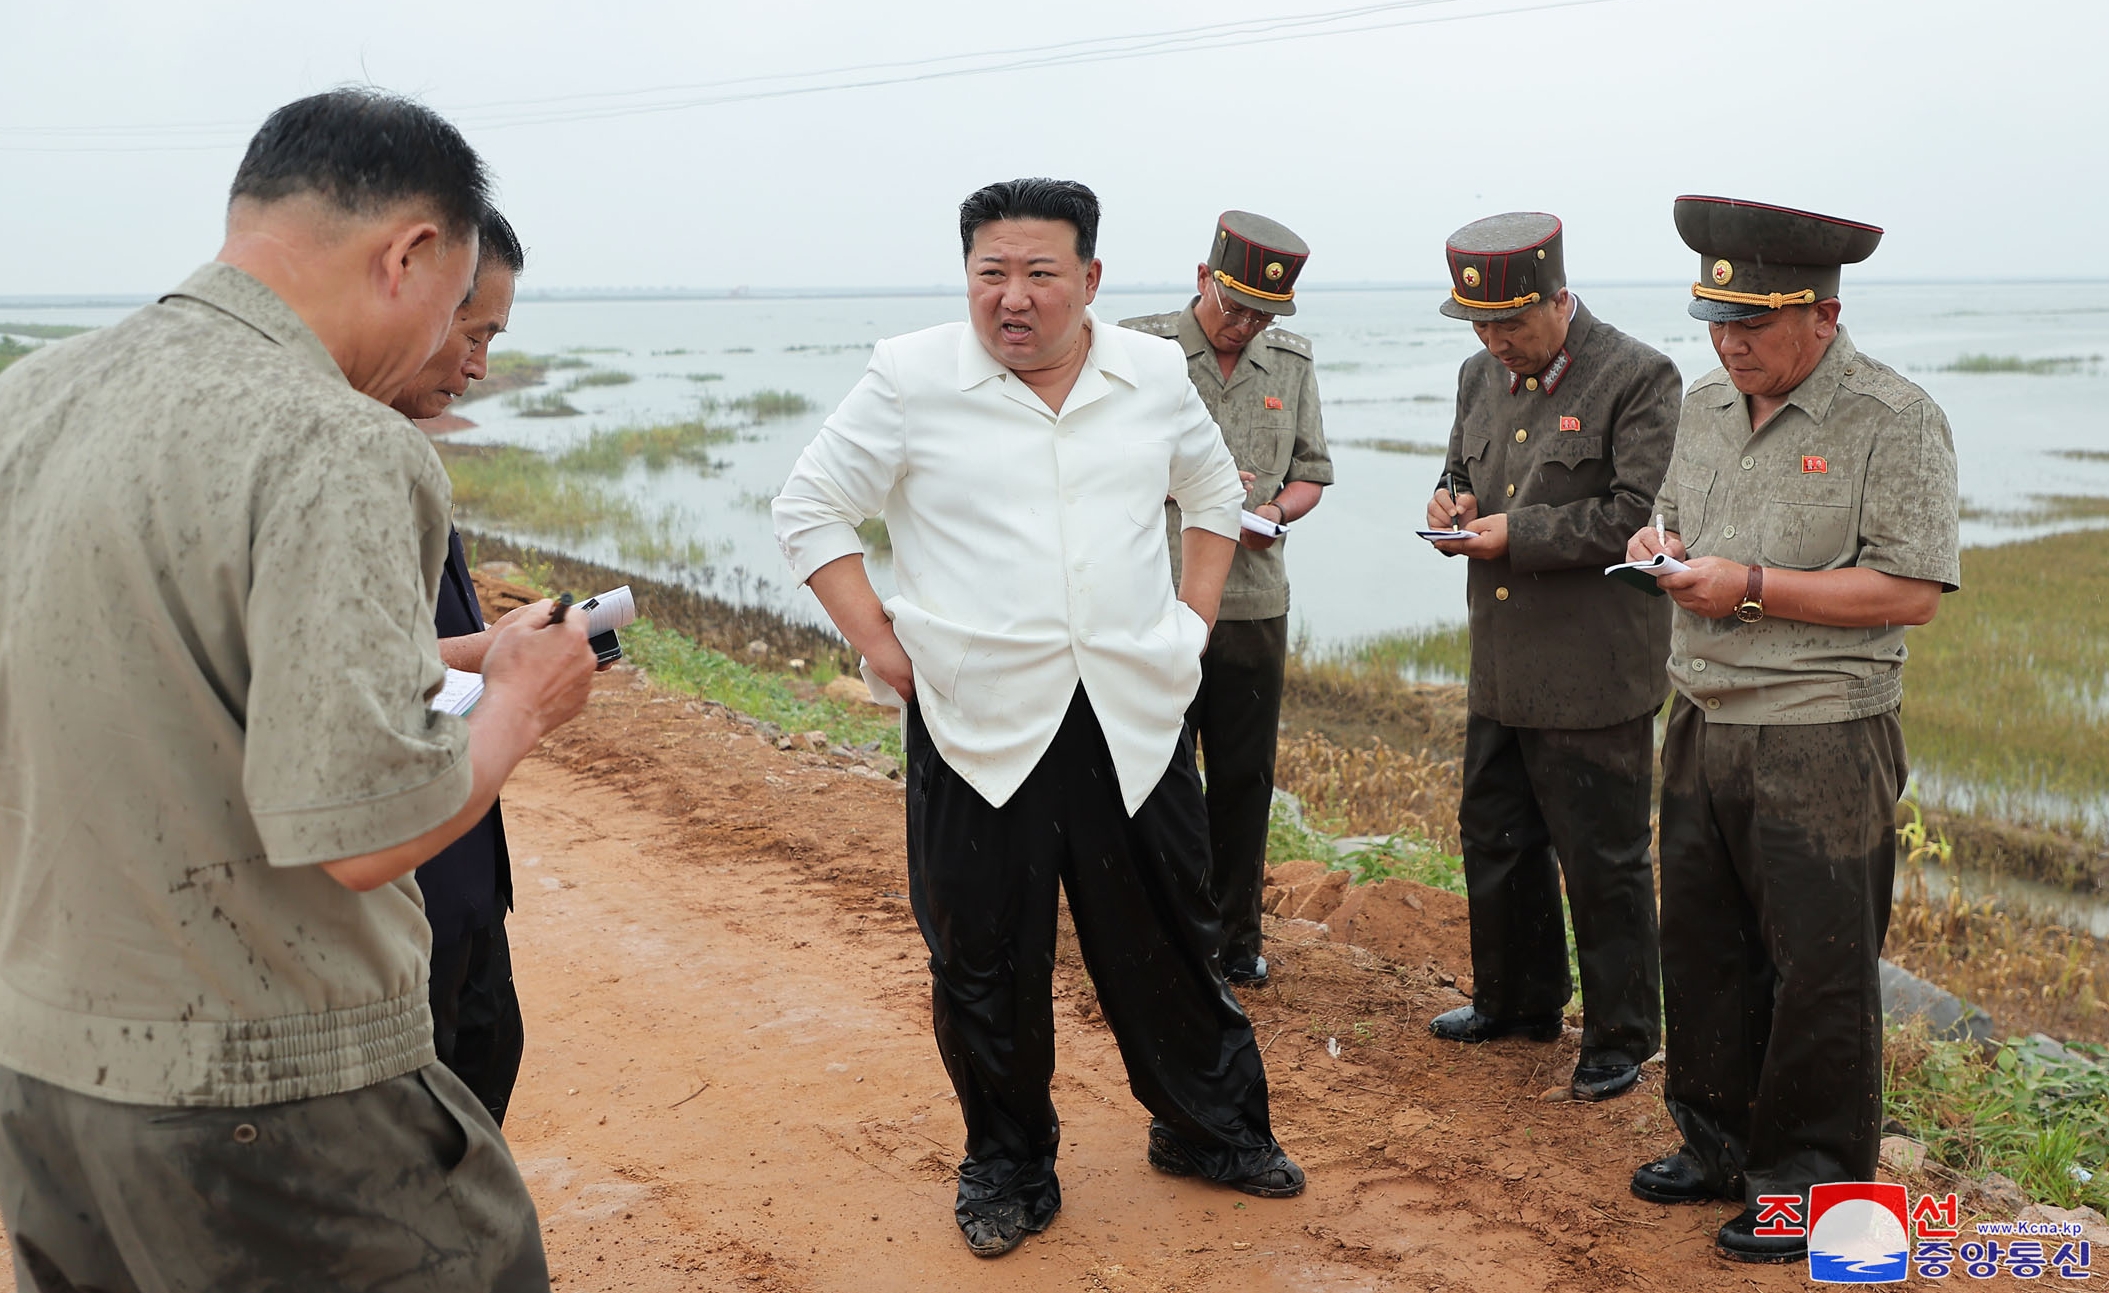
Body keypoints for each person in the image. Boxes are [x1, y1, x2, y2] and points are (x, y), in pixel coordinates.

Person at [0, 90, 596, 1292]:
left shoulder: (36, 396)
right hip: (269, 1089)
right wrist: (524, 696)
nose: (449, 348)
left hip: (48, 1072)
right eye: (455, 306)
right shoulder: (339, 439)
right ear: (412, 254)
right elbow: (366, 829)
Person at [774, 177, 1304, 1260]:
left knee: (1169, 935)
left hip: (1131, 712)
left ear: (1091, 280)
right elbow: (810, 507)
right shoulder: (911, 377)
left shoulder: (1151, 374)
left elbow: (1213, 495)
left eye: (1039, 275)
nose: (1012, 299)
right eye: (990, 274)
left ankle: (1210, 1128)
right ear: (967, 276)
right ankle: (1009, 1163)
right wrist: (880, 645)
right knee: (984, 957)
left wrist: (1192, 622)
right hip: (978, 721)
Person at [1624, 195, 1958, 1264]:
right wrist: (1658, 545)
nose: (1730, 345)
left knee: (1818, 967)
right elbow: (1682, 522)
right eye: (1717, 323)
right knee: (1705, 947)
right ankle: (1717, 1145)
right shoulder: (1708, 404)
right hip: (1703, 718)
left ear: (1821, 314)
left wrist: (1753, 586)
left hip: (1821, 734)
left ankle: (1810, 1189)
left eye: (1753, 326)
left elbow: (1911, 591)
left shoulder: (1892, 418)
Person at [1423, 212, 1680, 1103]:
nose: (1498, 344)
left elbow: (1633, 515)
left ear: (1561, 300)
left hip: (1593, 667)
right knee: (1493, 835)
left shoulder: (1639, 375)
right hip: (1499, 659)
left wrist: (1512, 534)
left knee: (1602, 857)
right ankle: (1515, 999)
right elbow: (1462, 470)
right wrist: (1451, 502)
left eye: (1514, 325)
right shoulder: (1476, 373)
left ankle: (1620, 1034)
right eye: (1481, 327)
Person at [1119, 211, 1331, 987]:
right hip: (1154, 598)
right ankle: (1156, 925)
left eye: (1263, 314)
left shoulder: (1290, 364)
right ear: (1202, 278)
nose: (1245, 325)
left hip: (1251, 605)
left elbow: (1310, 471)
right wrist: (1188, 484)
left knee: (1243, 780)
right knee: (1151, 772)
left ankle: (1236, 938)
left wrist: (1275, 511)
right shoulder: (1139, 352)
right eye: (1234, 305)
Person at [391, 208, 538, 1125]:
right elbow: (350, 668)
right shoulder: (330, 458)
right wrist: (502, 666)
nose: (479, 365)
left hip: (463, 854)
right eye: (473, 331)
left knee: (485, 1052)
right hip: (405, 878)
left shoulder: (398, 444)